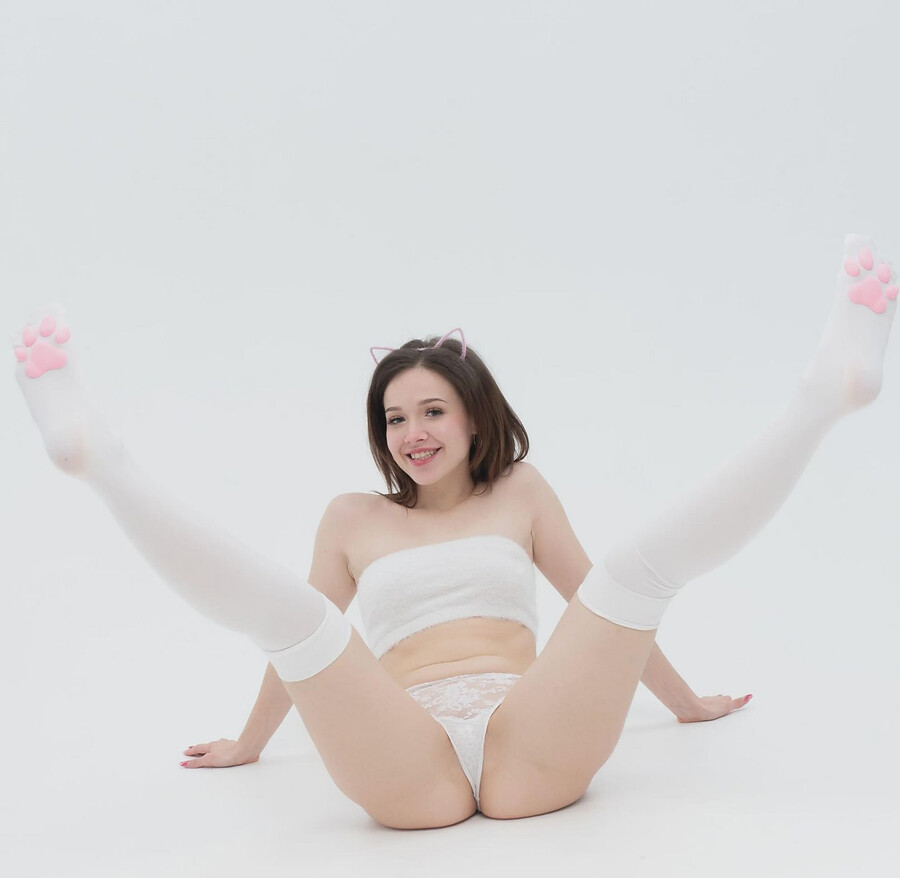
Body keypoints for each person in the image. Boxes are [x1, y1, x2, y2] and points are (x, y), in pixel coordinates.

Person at [12, 234, 897, 829]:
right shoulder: (351, 518)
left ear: (474, 415)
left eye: (433, 410)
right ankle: (101, 461)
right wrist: (249, 744)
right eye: (395, 419)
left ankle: (822, 398)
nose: (414, 433)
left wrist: (686, 703)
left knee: (631, 576)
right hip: (408, 755)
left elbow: (606, 616)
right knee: (299, 620)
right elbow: (304, 658)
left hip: (530, 737)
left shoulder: (521, 493)